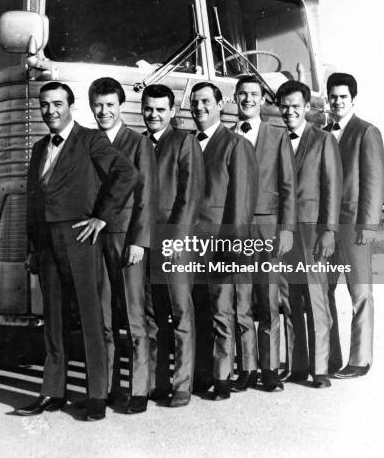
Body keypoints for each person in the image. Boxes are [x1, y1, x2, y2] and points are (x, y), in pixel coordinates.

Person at [16, 81, 137, 421]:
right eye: (44, 104)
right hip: (45, 244)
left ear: (70, 106)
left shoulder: (90, 139)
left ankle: (97, 396)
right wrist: (32, 247)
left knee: (89, 318)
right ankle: (52, 393)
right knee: (52, 320)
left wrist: (101, 216)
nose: (50, 110)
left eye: (57, 103)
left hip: (79, 239)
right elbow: (33, 199)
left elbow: (126, 174)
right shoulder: (40, 147)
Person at [88, 77, 158, 415]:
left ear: (121, 107)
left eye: (110, 105)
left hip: (127, 239)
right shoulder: (86, 142)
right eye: (98, 105)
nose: (104, 111)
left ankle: (140, 389)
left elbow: (146, 197)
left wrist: (140, 242)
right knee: (103, 318)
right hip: (94, 240)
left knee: (133, 317)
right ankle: (106, 390)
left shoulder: (138, 144)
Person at [190, 81, 258, 400]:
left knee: (221, 312)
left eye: (206, 101)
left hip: (220, 242)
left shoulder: (236, 144)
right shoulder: (187, 142)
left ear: (220, 104)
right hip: (189, 244)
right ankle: (201, 373)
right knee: (197, 310)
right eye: (194, 102)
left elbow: (241, 202)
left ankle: (222, 378)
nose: (199, 107)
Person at [231, 75, 296, 392]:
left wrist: (286, 229)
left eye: (253, 94)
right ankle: (246, 368)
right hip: (236, 228)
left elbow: (288, 188)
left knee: (270, 299)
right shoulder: (227, 136)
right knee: (240, 299)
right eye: (242, 94)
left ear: (262, 99)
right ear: (235, 99)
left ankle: (270, 369)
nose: (247, 99)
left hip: (269, 226)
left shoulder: (277, 135)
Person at [276, 80, 342, 388]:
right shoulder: (274, 140)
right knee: (290, 300)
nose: (289, 111)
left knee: (316, 299)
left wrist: (329, 230)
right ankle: (297, 365)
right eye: (284, 106)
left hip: (312, 231)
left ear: (306, 108)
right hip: (283, 231)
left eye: (295, 106)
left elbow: (332, 189)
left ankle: (320, 369)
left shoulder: (323, 140)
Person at [142, 83, 205, 407]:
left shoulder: (184, 142)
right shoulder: (139, 144)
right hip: (145, 241)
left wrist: (177, 240)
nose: (153, 115)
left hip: (176, 242)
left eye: (160, 110)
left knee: (181, 313)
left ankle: (182, 385)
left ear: (172, 112)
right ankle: (157, 382)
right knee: (153, 316)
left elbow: (190, 194)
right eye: (149, 109)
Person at [325, 73, 384, 378]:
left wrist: (369, 226)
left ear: (353, 99)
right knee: (324, 292)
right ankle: (330, 358)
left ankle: (360, 361)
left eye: (343, 97)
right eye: (333, 97)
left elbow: (374, 181)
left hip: (354, 226)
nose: (337, 102)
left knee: (360, 293)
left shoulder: (366, 132)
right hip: (327, 229)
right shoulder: (322, 132)